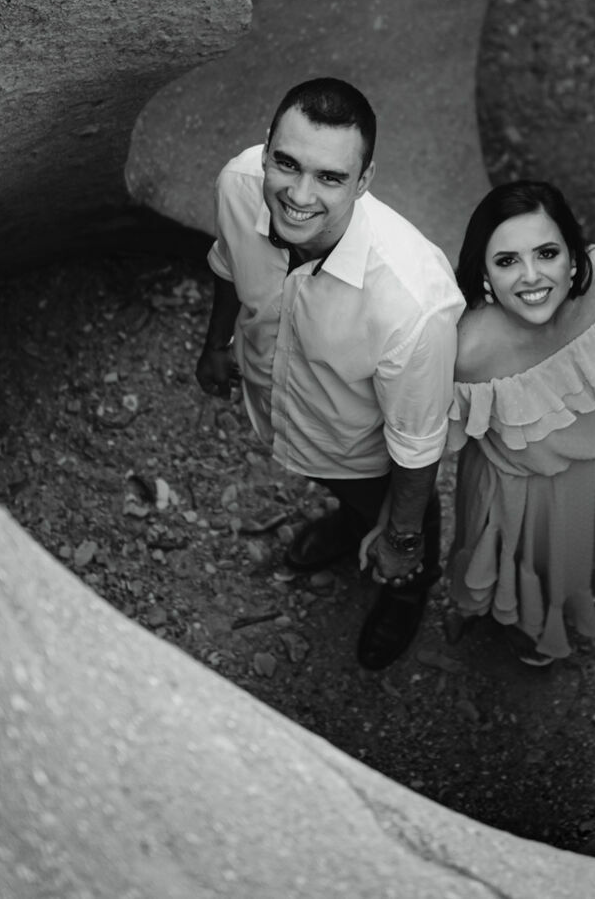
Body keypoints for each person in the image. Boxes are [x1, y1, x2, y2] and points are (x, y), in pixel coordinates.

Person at [195, 77, 464, 670]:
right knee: (348, 495)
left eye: (330, 178)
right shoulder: (240, 185)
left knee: (395, 509)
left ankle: (407, 585)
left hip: (365, 448)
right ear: (265, 149)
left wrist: (401, 538)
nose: (298, 194)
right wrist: (218, 342)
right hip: (289, 411)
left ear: (364, 182)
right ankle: (351, 522)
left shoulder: (414, 305)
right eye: (286, 164)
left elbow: (418, 447)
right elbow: (226, 260)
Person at [445, 181, 595, 666]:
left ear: (573, 252)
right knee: (497, 565)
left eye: (546, 253)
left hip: (593, 465)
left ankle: (546, 627)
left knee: (571, 561)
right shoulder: (469, 347)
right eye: (507, 261)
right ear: (483, 270)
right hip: (514, 490)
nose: (532, 277)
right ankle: (485, 610)